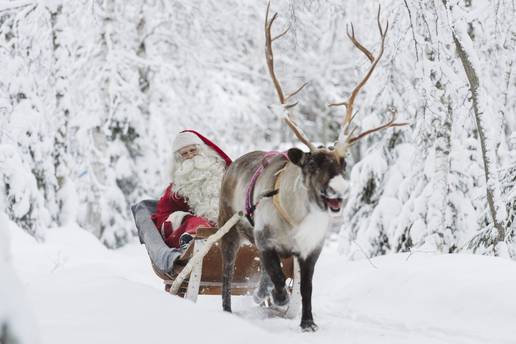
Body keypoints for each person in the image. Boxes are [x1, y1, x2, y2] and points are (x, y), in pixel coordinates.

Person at [151, 130, 231, 250]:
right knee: (195, 223)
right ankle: (194, 241)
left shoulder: (223, 174)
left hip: (229, 224)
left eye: (193, 150)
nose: (190, 156)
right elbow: (163, 213)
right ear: (179, 160)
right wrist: (182, 219)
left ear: (203, 151)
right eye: (184, 154)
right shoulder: (178, 187)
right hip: (197, 228)